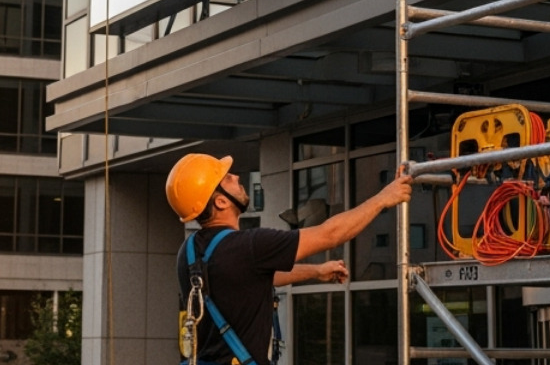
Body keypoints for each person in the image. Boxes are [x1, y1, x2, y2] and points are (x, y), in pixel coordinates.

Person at [166, 153, 413, 365]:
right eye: (228, 178)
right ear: (220, 201)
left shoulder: (188, 252)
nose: (237, 178)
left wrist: (315, 271)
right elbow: (331, 234)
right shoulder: (249, 245)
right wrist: (384, 198)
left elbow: (253, 278)